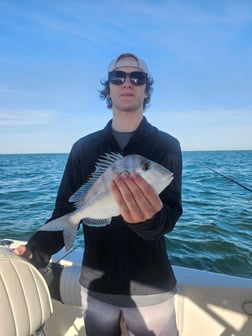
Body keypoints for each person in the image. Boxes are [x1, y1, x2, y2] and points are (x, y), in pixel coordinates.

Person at [13, 53, 183, 336]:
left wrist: (147, 220)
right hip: (96, 286)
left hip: (151, 285)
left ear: (146, 88)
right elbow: (65, 211)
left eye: (137, 77)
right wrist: (37, 250)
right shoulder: (84, 147)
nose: (127, 82)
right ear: (109, 87)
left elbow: (171, 214)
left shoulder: (166, 145)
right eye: (118, 76)